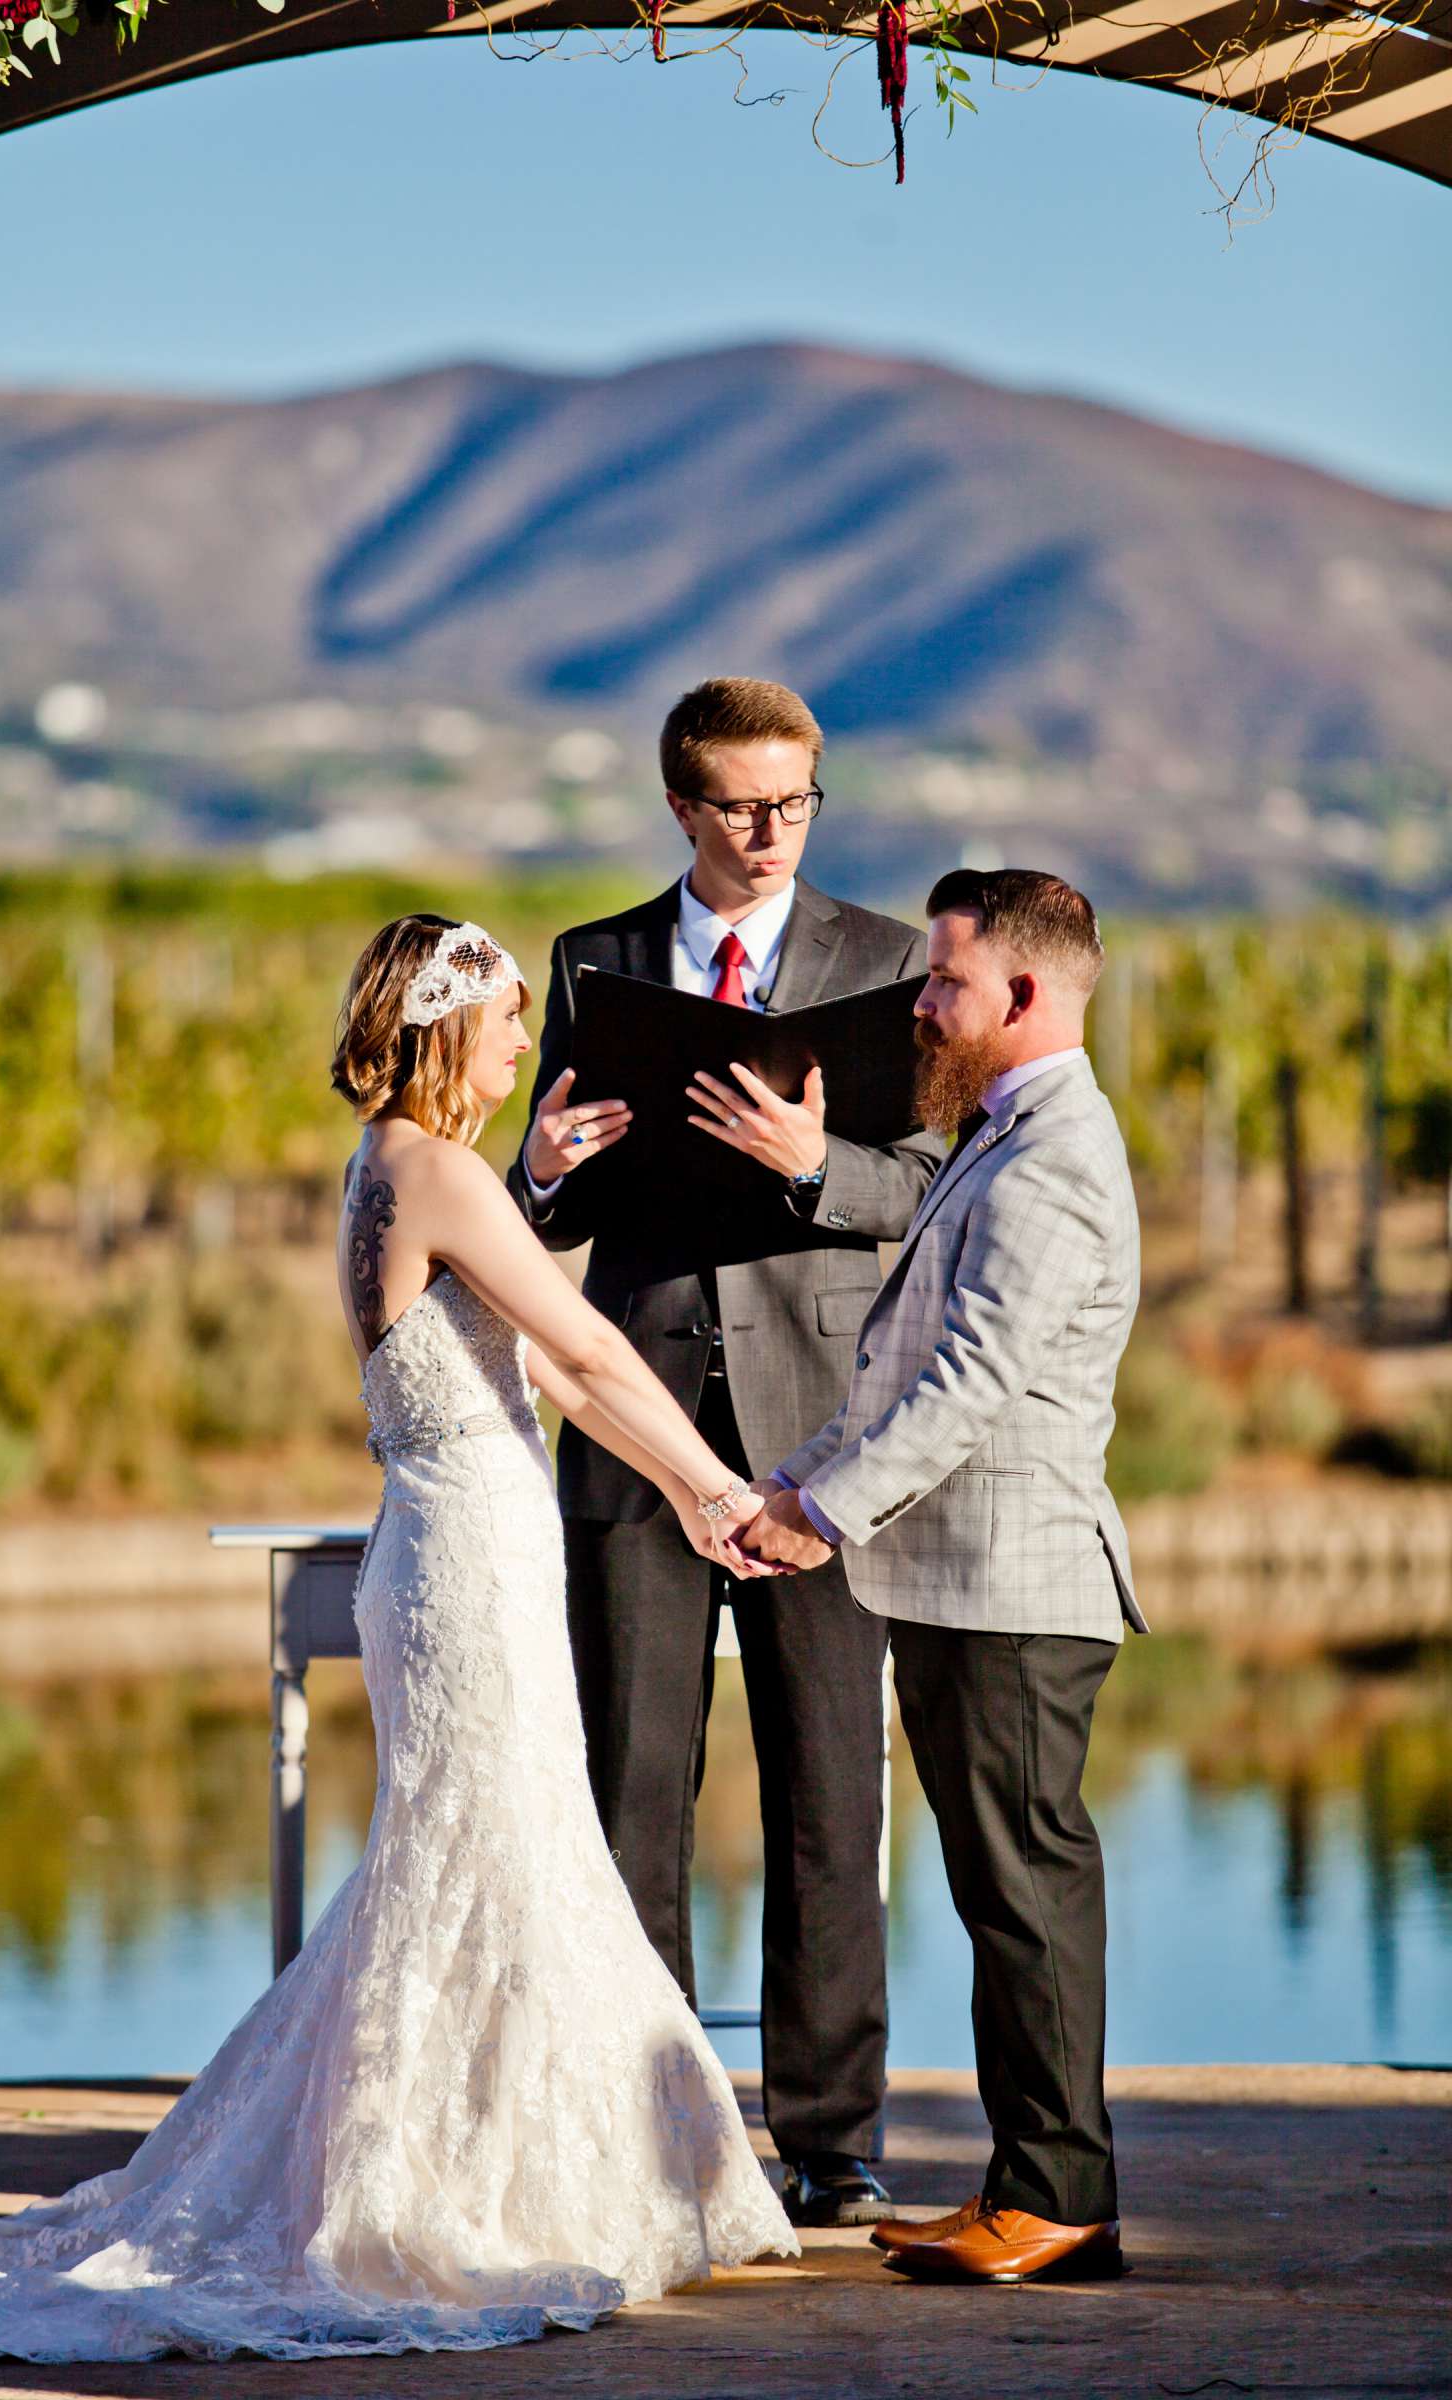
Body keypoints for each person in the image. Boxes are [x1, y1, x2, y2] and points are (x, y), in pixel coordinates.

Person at [0, 916, 795, 2366]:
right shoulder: (440, 1171)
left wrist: (692, 1495)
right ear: (441, 1031)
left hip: (457, 1543)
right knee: (485, 1851)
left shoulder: (393, 1166)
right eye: (504, 1023)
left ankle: (505, 2162)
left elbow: (560, 1376)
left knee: (490, 1848)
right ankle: (450, 2188)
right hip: (467, 1555)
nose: (523, 1048)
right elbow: (597, 1351)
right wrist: (727, 1487)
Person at [508, 677, 942, 2228]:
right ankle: (656, 2130)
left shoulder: (888, 962)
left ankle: (833, 2141)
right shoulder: (595, 963)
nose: (771, 835)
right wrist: (543, 1171)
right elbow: (535, 1212)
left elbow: (934, 1191)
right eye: (742, 807)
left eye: (797, 803)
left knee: (832, 1795)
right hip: (637, 1433)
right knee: (632, 1787)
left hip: (824, 1444)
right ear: (681, 808)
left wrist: (820, 1164)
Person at [741, 868, 1147, 2285]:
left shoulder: (1054, 1160)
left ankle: (1059, 2203)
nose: (921, 1003)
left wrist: (825, 1516)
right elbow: (898, 1365)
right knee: (999, 1893)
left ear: (1024, 996)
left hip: (1019, 1591)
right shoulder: (1001, 1135)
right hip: (965, 1585)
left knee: (1026, 1894)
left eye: (945, 982)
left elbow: (969, 1387)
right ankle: (1025, 2189)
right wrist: (795, 1482)